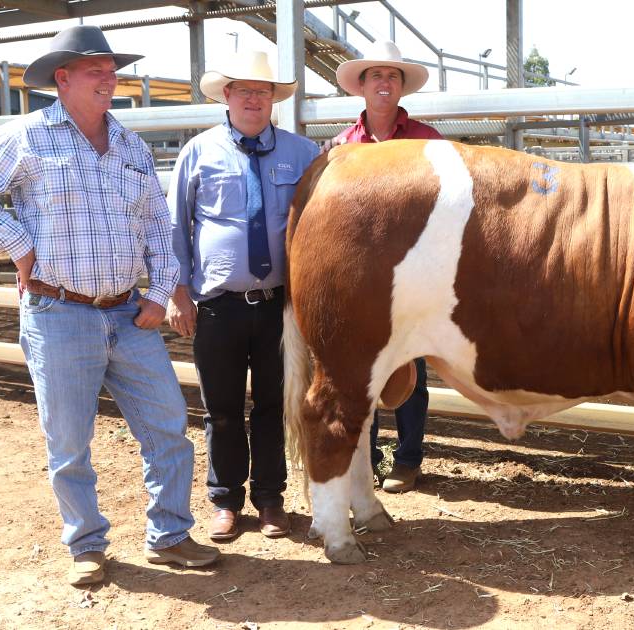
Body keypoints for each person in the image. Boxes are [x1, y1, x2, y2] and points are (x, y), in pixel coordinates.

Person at [0, 25, 218, 587]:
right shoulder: (26, 136)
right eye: (95, 70)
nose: (108, 78)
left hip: (127, 312)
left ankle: (169, 535)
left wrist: (161, 293)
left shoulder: (130, 145)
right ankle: (87, 544)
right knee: (69, 440)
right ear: (62, 79)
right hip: (59, 312)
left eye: (111, 69)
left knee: (168, 425)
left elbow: (156, 228)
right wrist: (20, 247)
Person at [167, 50, 318, 541]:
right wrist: (178, 291)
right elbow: (177, 225)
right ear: (226, 96)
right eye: (245, 90)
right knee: (222, 408)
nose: (254, 98)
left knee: (276, 404)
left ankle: (271, 500)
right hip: (218, 305)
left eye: (264, 90)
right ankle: (225, 500)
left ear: (274, 99)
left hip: (279, 306)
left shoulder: (304, 154)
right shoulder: (199, 151)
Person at [331, 40, 443, 493]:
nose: (383, 82)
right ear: (362, 86)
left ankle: (409, 459)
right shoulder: (341, 148)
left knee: (411, 372)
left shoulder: (428, 141)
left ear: (401, 88)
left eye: (392, 76)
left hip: (415, 278)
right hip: (362, 283)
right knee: (363, 372)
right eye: (375, 75)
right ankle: (371, 456)